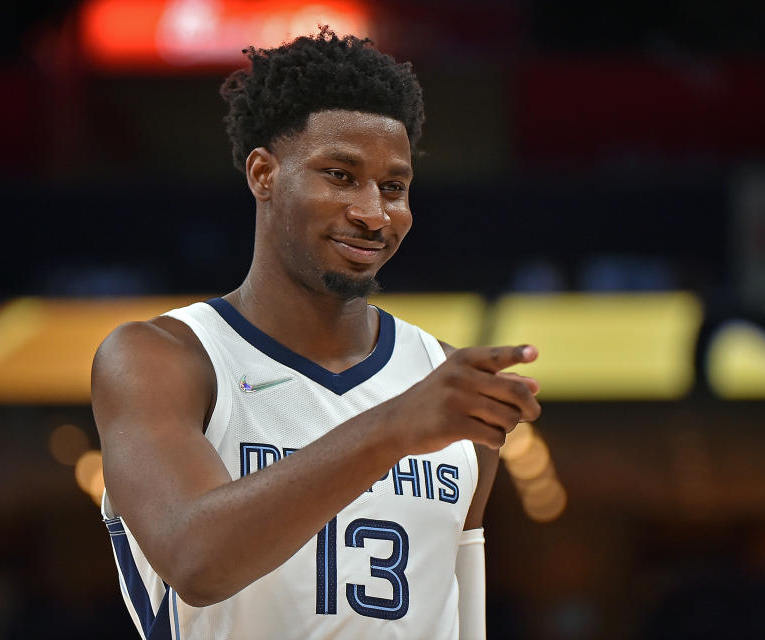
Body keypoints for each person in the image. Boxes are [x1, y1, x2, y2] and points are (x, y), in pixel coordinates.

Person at [91, 27, 541, 640]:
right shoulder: (162, 358)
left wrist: (412, 415)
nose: (372, 212)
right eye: (340, 175)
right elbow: (195, 561)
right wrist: (395, 426)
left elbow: (464, 612)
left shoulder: (444, 380)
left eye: (394, 187)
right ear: (262, 174)